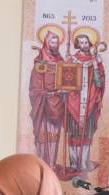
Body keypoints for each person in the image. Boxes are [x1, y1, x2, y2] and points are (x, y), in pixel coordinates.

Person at [66, 33, 106, 172]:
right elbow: (65, 81)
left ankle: (83, 162)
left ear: (90, 43)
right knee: (73, 132)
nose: (84, 45)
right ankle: (73, 163)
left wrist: (95, 67)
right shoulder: (72, 60)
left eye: (86, 42)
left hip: (90, 101)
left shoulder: (96, 61)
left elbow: (99, 83)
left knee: (87, 133)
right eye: (81, 42)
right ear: (78, 44)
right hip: (73, 102)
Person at [29, 31, 65, 168]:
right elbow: (35, 85)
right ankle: (41, 165)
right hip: (43, 104)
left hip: (57, 103)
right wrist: (45, 93)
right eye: (52, 42)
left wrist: (65, 89)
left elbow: (67, 78)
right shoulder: (40, 62)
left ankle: (51, 164)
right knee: (43, 135)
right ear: (46, 43)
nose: (54, 45)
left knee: (54, 135)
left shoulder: (61, 61)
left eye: (56, 43)